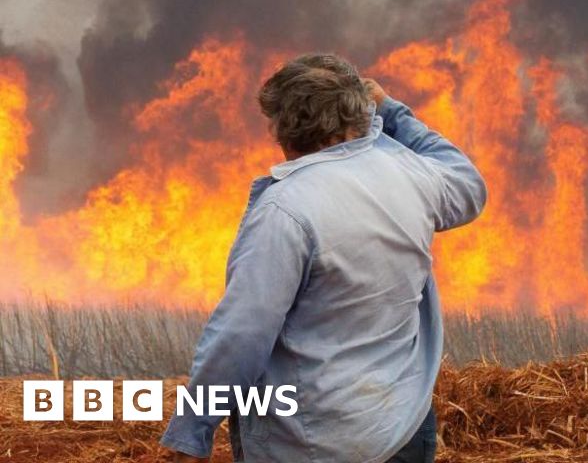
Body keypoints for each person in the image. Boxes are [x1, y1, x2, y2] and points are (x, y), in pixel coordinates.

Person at [160, 53, 486, 462]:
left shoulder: (284, 211)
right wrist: (391, 113)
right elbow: (467, 183)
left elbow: (241, 334)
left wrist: (193, 429)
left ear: (282, 129)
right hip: (402, 429)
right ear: (357, 118)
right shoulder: (411, 176)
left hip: (314, 442)